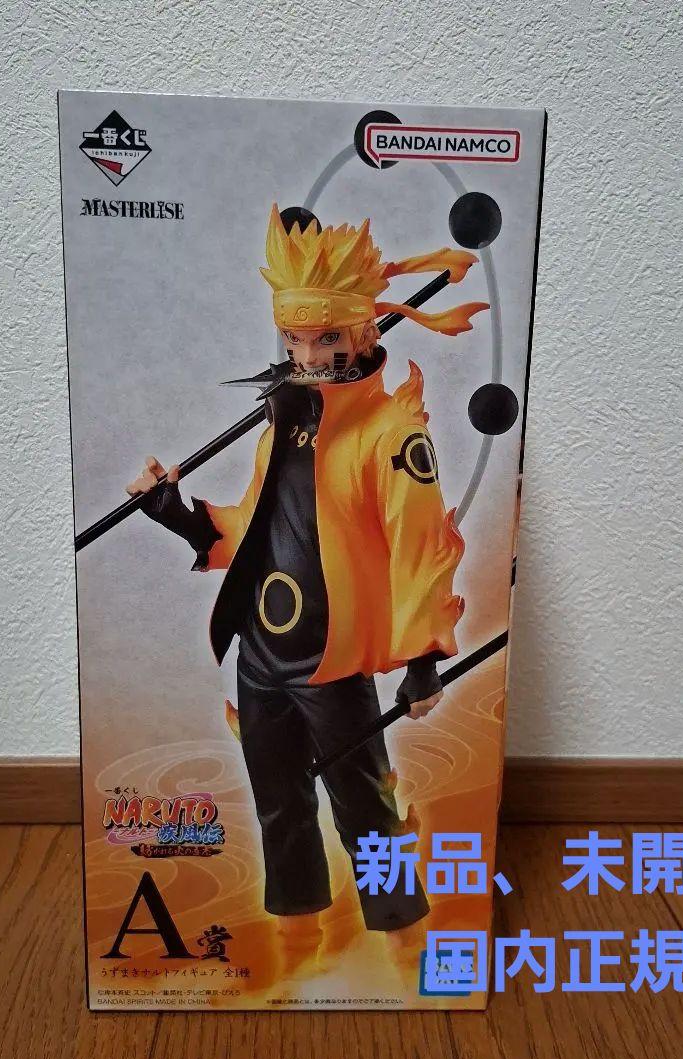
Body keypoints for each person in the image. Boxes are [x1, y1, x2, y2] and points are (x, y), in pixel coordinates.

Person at [127, 205, 487, 974]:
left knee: (367, 810)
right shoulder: (282, 428)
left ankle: (406, 945)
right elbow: (254, 531)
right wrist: (175, 513)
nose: (308, 355)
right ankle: (297, 945)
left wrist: (423, 660)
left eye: (326, 339)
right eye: (294, 339)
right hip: (260, 656)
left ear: (363, 331)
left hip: (333, 661)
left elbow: (419, 547)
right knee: (279, 804)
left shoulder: (391, 435)